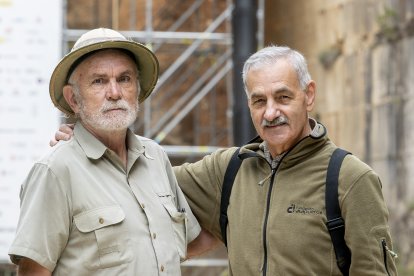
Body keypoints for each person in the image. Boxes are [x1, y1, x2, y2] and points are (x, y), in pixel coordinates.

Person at [52, 45, 398, 275]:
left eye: (283, 97)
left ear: (308, 95)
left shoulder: (349, 178)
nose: (271, 112)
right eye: (259, 101)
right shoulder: (230, 169)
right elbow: (136, 179)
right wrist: (87, 142)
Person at [9, 28, 208, 276]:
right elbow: (33, 272)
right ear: (73, 99)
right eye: (99, 81)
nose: (114, 93)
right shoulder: (55, 170)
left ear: (136, 88)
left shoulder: (155, 157)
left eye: (124, 79)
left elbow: (184, 245)